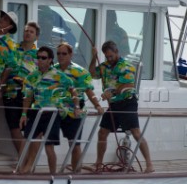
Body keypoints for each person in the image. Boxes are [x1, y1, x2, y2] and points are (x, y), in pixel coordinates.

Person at [89, 40, 154, 173]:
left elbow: (128, 85)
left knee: (136, 132)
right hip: (114, 104)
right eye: (106, 56)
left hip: (127, 102)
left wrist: (110, 92)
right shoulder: (105, 66)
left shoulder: (127, 66)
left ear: (117, 52)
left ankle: (149, 164)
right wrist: (93, 57)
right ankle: (98, 163)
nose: (109, 59)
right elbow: (92, 74)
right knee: (102, 132)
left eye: (111, 56)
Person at [19, 46, 80, 174]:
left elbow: (73, 90)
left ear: (50, 60)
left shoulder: (59, 76)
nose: (40, 60)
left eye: (43, 58)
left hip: (52, 115)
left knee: (48, 147)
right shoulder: (32, 76)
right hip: (36, 113)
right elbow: (27, 97)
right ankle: (21, 170)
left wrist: (77, 107)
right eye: (38, 57)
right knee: (26, 141)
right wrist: (24, 114)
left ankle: (53, 174)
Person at [54, 42, 103, 171]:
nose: (61, 56)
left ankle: (76, 172)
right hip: (56, 109)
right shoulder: (53, 70)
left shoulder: (80, 72)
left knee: (74, 143)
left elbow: (88, 91)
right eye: (58, 54)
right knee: (44, 140)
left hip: (75, 109)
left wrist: (97, 105)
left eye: (64, 54)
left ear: (71, 55)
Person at [2, 22, 40, 153]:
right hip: (11, 93)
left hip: (28, 96)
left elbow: (41, 77)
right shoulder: (13, 49)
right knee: (14, 128)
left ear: (36, 37)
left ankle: (27, 161)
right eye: (26, 31)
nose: (28, 33)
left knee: (29, 129)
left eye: (31, 32)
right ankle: (22, 160)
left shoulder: (39, 55)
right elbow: (5, 67)